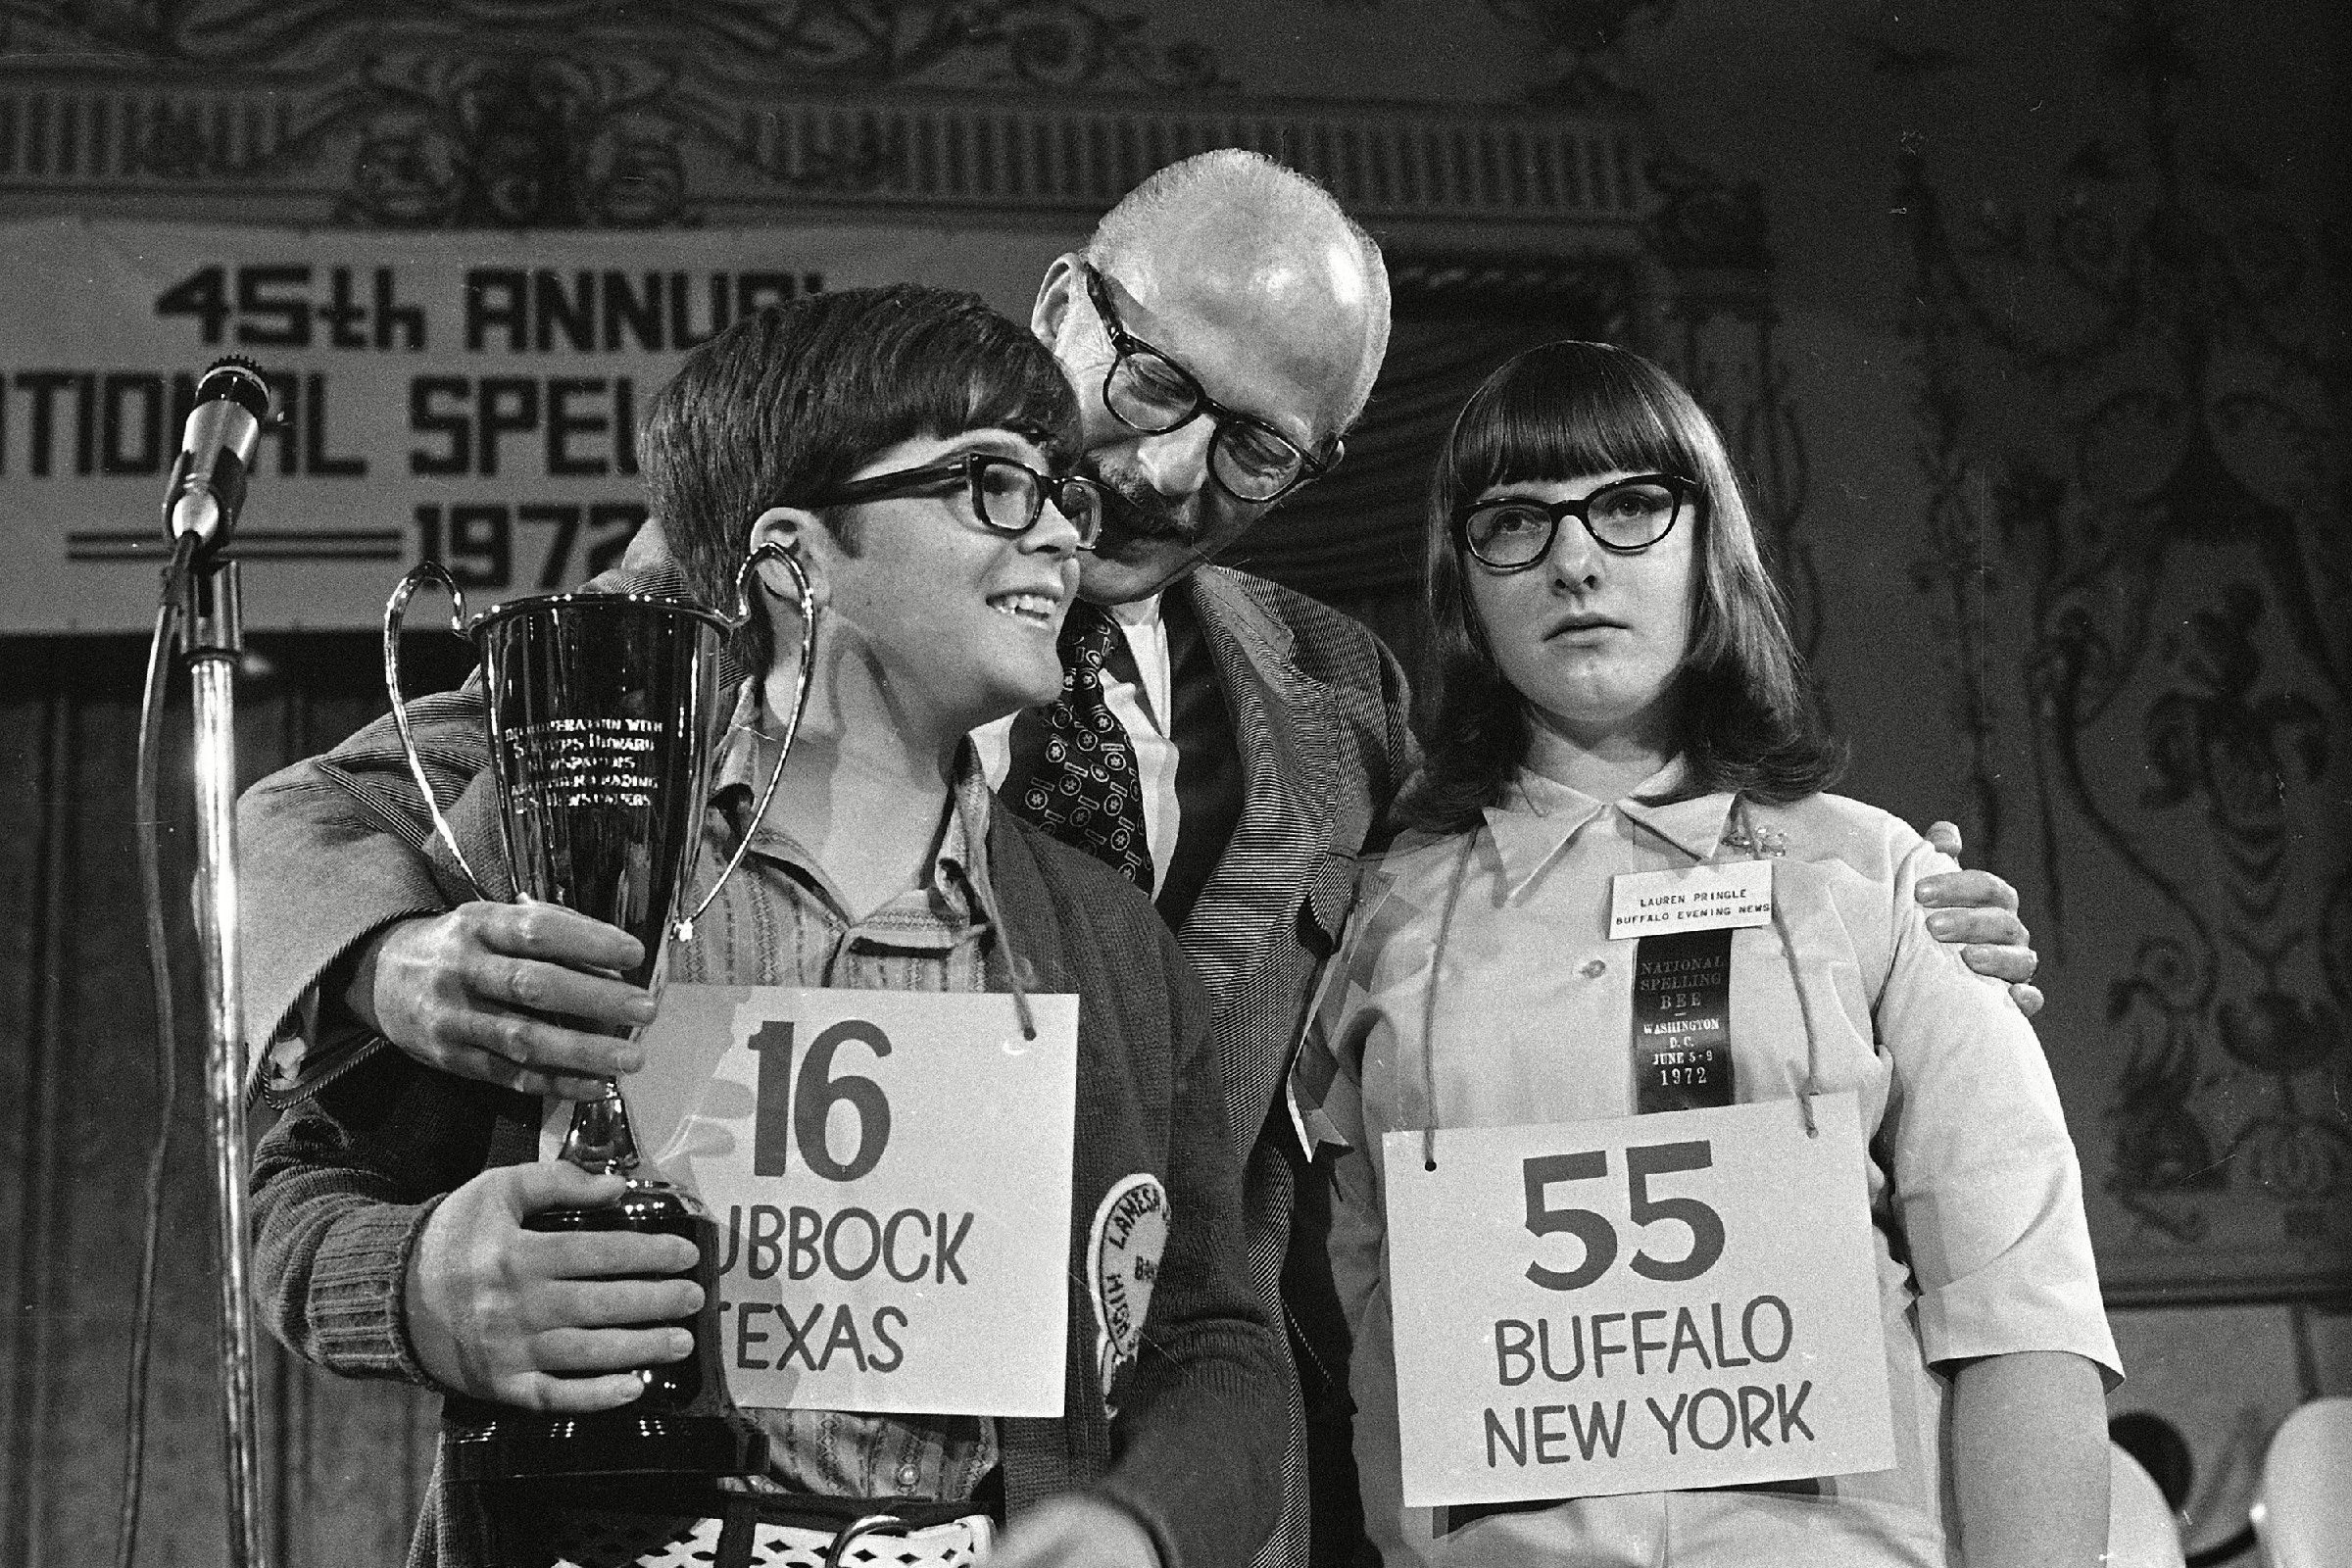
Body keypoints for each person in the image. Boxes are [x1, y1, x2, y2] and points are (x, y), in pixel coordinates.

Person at [238, 152, 2044, 1567]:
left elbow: (1513, 911)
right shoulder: (765, 574)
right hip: (678, 1500)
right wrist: (394, 966)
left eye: (1257, 445)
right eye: (1155, 378)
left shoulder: (1332, 694)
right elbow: (313, 823)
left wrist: (1870, 902)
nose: (1169, 468)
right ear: (1065, 303)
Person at [250, 286, 1285, 1568]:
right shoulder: (558, 860)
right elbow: (295, 1204)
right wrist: (413, 1288)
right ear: (796, 557)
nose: (1059, 540)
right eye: (991, 488)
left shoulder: (1108, 939)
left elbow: (1220, 1347)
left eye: (1057, 494)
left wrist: (1144, 1526)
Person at [1291, 340, 2119, 1566]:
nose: (1575, 560)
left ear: (1707, 543)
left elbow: (2019, 1309)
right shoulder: (1384, 916)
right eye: (1516, 522)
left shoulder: (1887, 885)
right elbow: (1361, 1328)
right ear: (1461, 586)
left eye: (1629, 507)